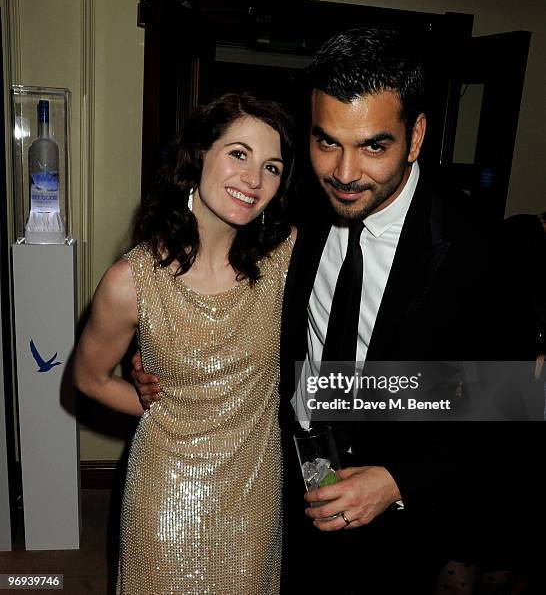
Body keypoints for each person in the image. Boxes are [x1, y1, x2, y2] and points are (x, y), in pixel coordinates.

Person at [134, 29, 524, 593]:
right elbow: (212, 288)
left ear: (414, 137)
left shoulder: (476, 247)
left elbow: (506, 398)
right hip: (290, 476)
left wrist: (398, 480)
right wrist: (151, 358)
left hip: (403, 508)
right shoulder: (293, 209)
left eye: (373, 145)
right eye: (326, 142)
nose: (343, 173)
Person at [73, 93, 296, 594]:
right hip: (166, 491)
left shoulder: (286, 259)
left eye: (272, 167)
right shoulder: (131, 281)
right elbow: (86, 378)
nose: (254, 179)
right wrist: (151, 404)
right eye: (238, 154)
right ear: (199, 154)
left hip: (253, 487)